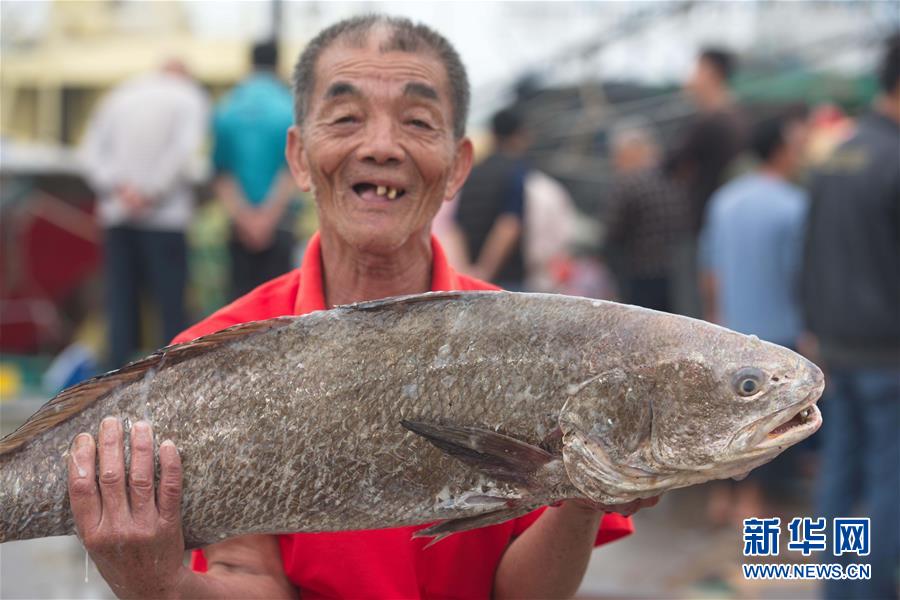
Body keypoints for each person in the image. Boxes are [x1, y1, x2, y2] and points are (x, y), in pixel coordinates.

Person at [65, 16, 658, 599]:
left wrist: (581, 501)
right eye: (347, 118)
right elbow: (251, 579)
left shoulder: (539, 343)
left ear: (457, 165)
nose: (380, 147)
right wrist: (162, 586)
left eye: (419, 122)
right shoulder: (219, 353)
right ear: (298, 156)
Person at [803, 33, 899, 600]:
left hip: (836, 345)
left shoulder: (837, 151)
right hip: (890, 351)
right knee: (891, 482)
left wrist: (814, 326)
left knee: (840, 474)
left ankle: (838, 589)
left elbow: (809, 250)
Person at [698, 109, 810, 523]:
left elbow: (709, 268)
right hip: (780, 331)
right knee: (770, 422)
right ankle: (754, 509)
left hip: (729, 329)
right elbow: (800, 275)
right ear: (781, 148)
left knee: (726, 417)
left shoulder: (724, 200)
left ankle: (723, 500)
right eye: (798, 144)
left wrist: (713, 317)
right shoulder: (795, 205)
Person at [80, 59, 209, 369]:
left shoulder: (119, 96)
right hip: (166, 217)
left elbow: (88, 153)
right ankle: (173, 378)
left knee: (120, 302)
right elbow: (184, 152)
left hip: (118, 214)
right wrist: (150, 191)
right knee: (170, 307)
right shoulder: (189, 96)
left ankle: (113, 381)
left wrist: (120, 189)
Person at [213, 40, 297, 300]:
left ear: (249, 63)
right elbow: (292, 168)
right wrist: (267, 219)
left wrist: (247, 219)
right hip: (281, 223)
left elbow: (222, 172)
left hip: (239, 225)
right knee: (279, 309)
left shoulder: (227, 107)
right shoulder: (290, 107)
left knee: (240, 307)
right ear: (278, 64)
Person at [665, 47, 746, 318]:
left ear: (711, 73)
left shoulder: (711, 123)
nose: (689, 79)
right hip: (726, 229)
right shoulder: (737, 118)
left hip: (702, 229)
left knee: (695, 316)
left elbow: (670, 166)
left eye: (696, 69)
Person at [604, 119, 690, 312]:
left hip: (638, 274)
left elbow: (612, 233)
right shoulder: (671, 180)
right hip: (674, 270)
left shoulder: (627, 184)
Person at [453, 107, 530, 289]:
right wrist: (485, 271)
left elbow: (457, 223)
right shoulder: (516, 172)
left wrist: (468, 270)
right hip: (505, 278)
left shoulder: (473, 172)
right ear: (519, 135)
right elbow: (509, 223)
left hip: (469, 273)